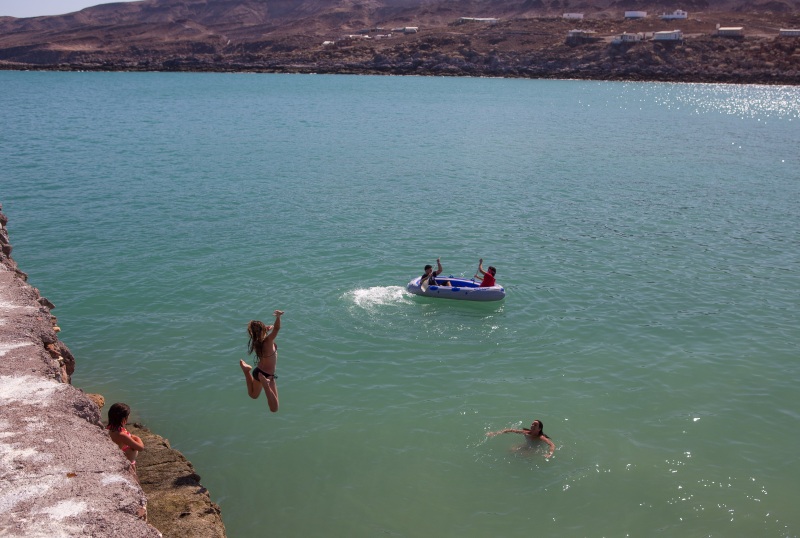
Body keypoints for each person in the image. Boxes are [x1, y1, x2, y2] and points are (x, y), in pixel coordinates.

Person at [239, 310, 284, 412]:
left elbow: (262, 337)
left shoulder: (256, 343)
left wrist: (265, 330)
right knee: (274, 408)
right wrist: (278, 317)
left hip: (258, 372)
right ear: (263, 330)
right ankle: (266, 385)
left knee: (253, 395)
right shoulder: (268, 341)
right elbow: (276, 329)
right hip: (267, 376)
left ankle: (246, 371)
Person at [486, 419, 556, 458]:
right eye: (532, 424)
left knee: (524, 455)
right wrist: (495, 433)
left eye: (535, 425)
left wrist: (549, 454)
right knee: (511, 450)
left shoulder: (541, 437)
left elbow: (552, 445)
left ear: (539, 429)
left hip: (535, 449)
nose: (532, 425)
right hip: (527, 445)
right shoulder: (526, 432)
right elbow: (511, 430)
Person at [107, 402, 145, 470]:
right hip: (129, 463)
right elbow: (141, 448)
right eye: (128, 416)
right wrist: (137, 437)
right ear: (123, 419)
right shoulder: (121, 435)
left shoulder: (108, 428)